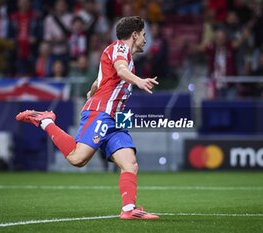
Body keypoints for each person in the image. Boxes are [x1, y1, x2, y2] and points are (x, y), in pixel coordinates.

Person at [16, 16, 159, 220]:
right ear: (134, 35)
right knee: (77, 158)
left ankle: (129, 209)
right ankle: (45, 120)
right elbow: (120, 70)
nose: (145, 39)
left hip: (117, 118)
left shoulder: (125, 57)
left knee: (130, 164)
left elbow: (101, 80)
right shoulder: (119, 48)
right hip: (102, 113)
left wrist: (92, 91)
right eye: (144, 35)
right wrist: (139, 81)